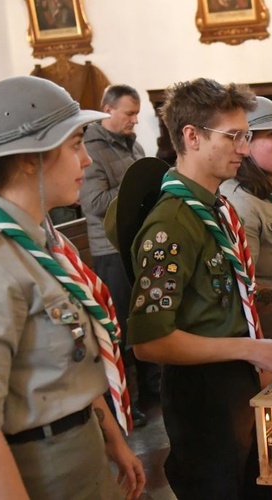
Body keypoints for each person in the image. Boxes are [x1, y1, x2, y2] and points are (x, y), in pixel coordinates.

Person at [123, 78, 272, 499]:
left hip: (239, 380)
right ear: (192, 136)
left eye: (246, 136)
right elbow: (149, 343)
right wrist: (246, 349)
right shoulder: (171, 224)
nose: (245, 147)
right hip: (203, 395)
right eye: (234, 136)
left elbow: (240, 298)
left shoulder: (216, 208)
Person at [0, 76, 145, 498]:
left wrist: (111, 438)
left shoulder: (44, 241)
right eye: (75, 145)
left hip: (82, 447)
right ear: (30, 158)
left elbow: (68, 367)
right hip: (40, 468)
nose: (86, 161)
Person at [80, 84, 158, 426]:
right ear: (107, 109)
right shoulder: (91, 149)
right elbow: (94, 203)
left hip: (138, 244)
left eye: (137, 113)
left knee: (146, 319)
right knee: (123, 328)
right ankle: (128, 401)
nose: (135, 120)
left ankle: (154, 387)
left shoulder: (134, 145)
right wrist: (134, 185)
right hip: (111, 250)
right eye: (129, 113)